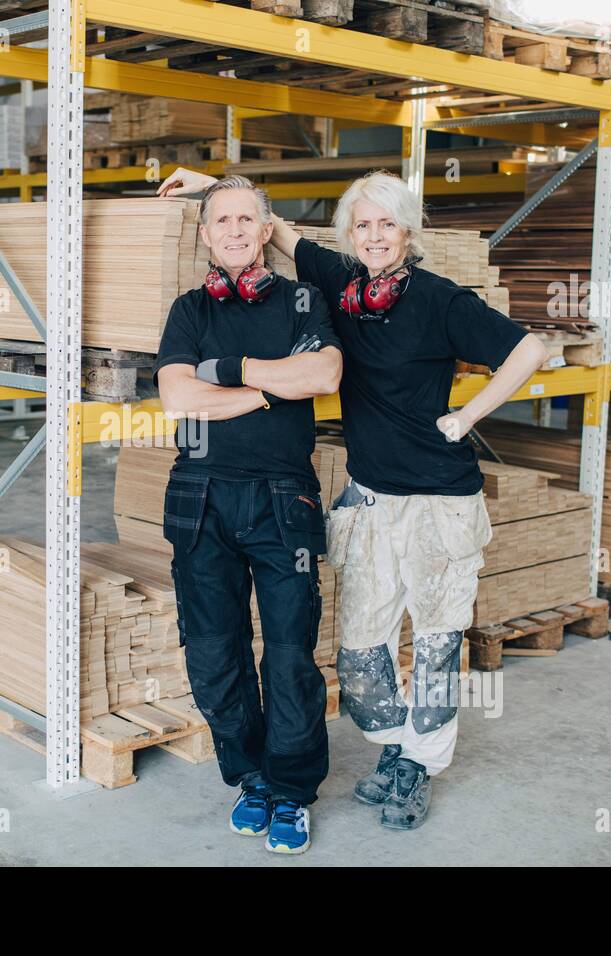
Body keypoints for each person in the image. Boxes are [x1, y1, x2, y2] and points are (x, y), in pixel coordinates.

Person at [159, 167, 549, 830]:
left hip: (437, 499)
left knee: (432, 644)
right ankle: (393, 747)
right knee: (361, 652)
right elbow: (267, 230)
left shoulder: (435, 299)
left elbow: (529, 347)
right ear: (348, 234)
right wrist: (219, 182)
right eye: (362, 225)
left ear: (406, 230)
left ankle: (418, 764)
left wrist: (467, 417)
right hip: (370, 499)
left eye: (387, 223)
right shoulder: (339, 284)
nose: (374, 236)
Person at [154, 176, 343, 854]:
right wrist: (266, 391)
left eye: (246, 219)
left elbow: (322, 377)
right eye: (221, 220)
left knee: (290, 654)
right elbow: (178, 397)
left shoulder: (302, 299)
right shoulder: (188, 310)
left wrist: (228, 373)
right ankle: (252, 776)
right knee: (212, 651)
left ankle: (291, 790)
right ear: (205, 235)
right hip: (199, 499)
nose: (234, 230)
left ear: (267, 230)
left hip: (281, 499)